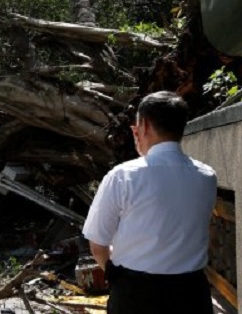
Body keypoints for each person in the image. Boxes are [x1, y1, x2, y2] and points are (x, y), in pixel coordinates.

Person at [82, 91, 217, 314]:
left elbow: (97, 245)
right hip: (192, 294)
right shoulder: (207, 176)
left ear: (143, 125)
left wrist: (114, 273)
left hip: (136, 294)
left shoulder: (123, 176)